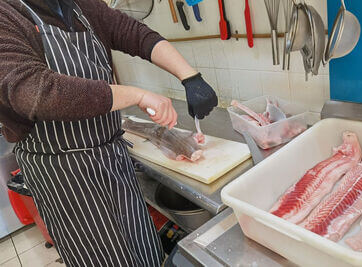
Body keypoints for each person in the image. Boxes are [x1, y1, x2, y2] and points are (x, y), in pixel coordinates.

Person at [0, 0, 218, 266]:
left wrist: (190, 77)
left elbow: (134, 32)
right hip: (64, 173)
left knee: (143, 247)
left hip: (112, 157)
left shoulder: (80, 6)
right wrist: (137, 95)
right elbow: (36, 92)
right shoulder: (7, 13)